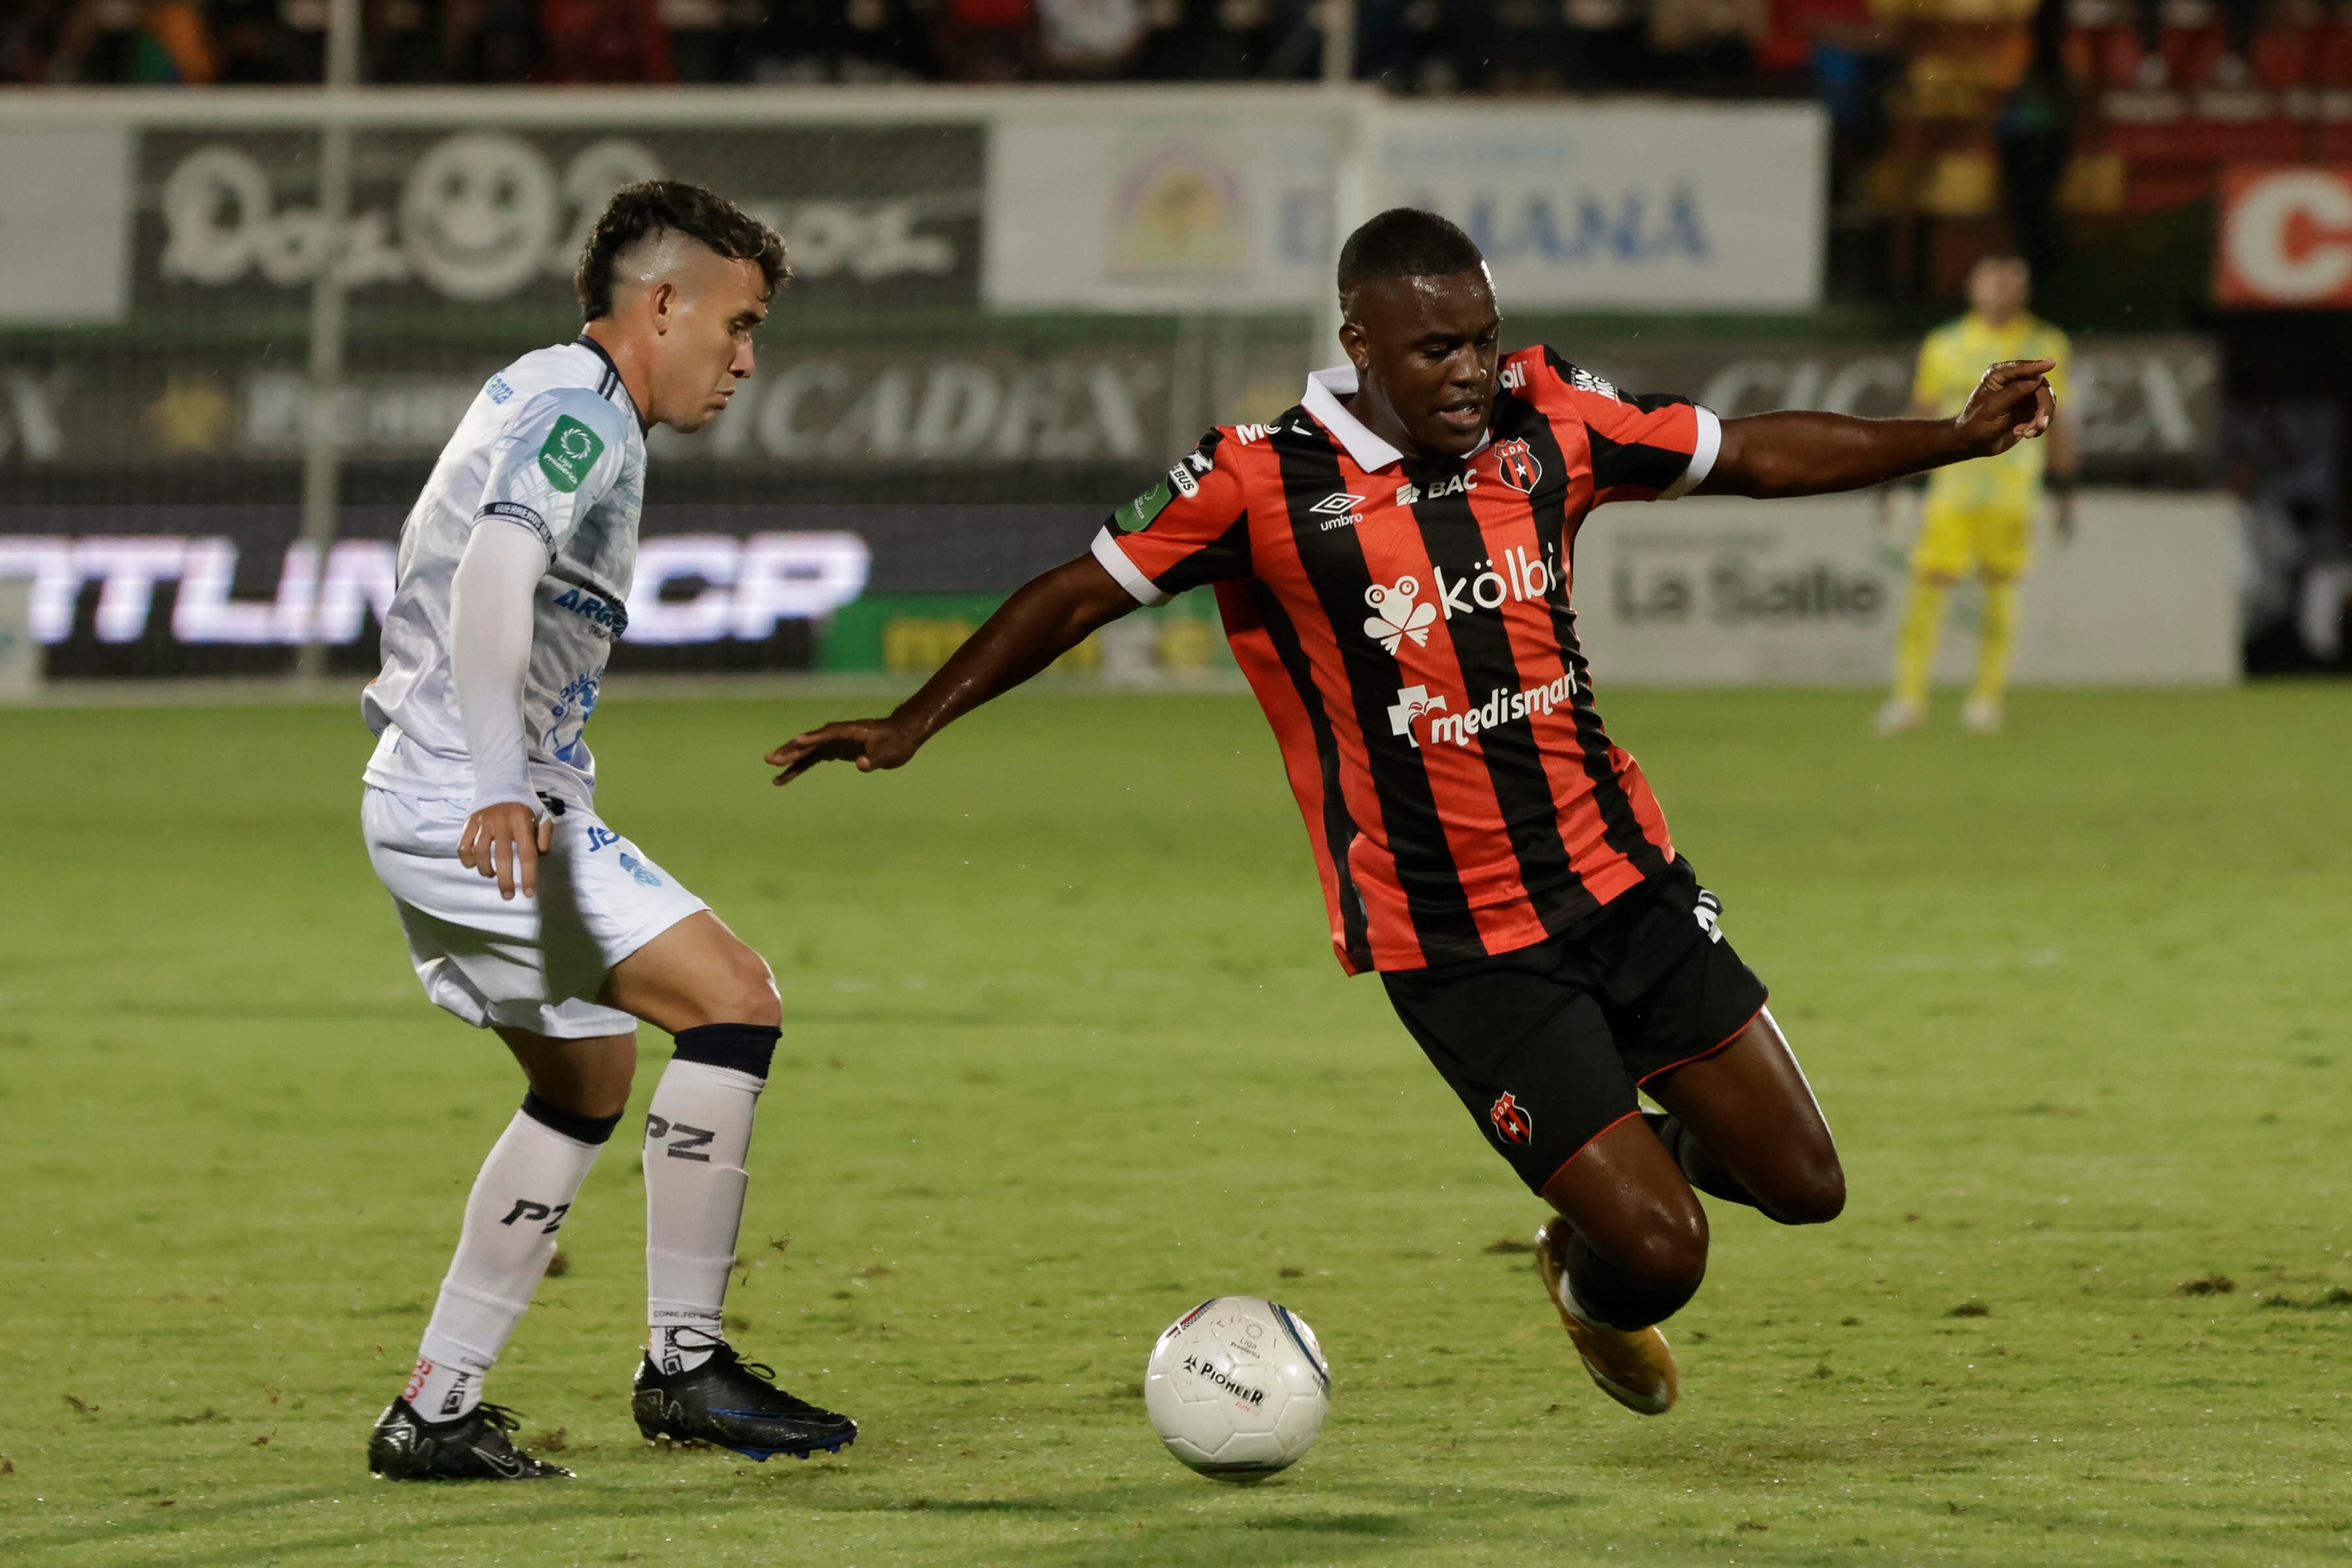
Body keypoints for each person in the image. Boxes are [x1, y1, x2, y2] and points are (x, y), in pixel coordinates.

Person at [766, 208, 2056, 1419]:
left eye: (1485, 337)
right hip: (1461, 942)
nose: (1473, 369)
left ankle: (1609, 1172)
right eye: (1439, 346)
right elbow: (1076, 592)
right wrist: (914, 720)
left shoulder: (1552, 416)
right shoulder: (1257, 479)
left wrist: (1953, 436)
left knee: (1806, 1187)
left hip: (1628, 880)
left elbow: (1752, 453)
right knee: (1664, 1254)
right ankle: (1590, 1260)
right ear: (1360, 345)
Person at [359, 180, 855, 1480]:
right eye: (737, 326)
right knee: (735, 1001)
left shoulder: (543, 391)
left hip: (438, 798)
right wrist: (495, 783)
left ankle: (437, 1409)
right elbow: (491, 574)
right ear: (663, 303)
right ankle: (687, 1365)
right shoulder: (582, 411)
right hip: (475, 806)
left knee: (584, 1083)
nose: (745, 361)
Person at [1877, 253, 2076, 736]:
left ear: (2022, 292)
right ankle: (1909, 698)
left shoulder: (2045, 343)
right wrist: (1897, 478)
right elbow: (1922, 414)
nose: (2000, 291)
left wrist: (2065, 488)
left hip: (2012, 490)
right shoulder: (1945, 344)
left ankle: (1985, 701)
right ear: (1973, 289)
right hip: (1953, 489)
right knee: (1928, 588)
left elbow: (2060, 417)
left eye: (2010, 283)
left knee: (1999, 593)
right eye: (1991, 282)